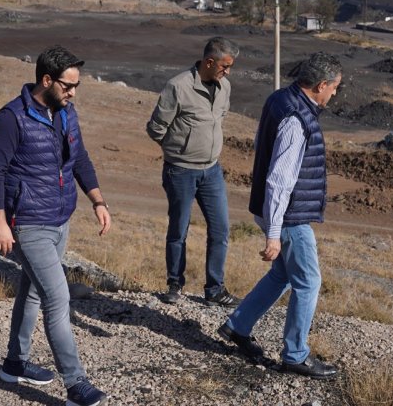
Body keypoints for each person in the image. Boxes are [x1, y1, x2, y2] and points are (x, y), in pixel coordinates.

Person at [0, 46, 111, 406]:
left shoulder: (66, 113)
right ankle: (76, 385)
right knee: (58, 297)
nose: (73, 92)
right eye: (68, 86)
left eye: (77, 86)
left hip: (59, 217)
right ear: (46, 80)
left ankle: (14, 363)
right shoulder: (11, 118)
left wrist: (97, 200)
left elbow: (80, 159)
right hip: (27, 223)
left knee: (34, 291)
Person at [216, 52, 343, 380]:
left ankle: (238, 325)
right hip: (289, 215)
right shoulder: (296, 119)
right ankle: (295, 355)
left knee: (282, 275)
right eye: (333, 88)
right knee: (309, 280)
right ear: (320, 85)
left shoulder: (280, 99)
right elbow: (279, 179)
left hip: (276, 210)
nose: (334, 94)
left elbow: (262, 144)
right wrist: (274, 232)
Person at [146, 36, 241, 306]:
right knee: (179, 229)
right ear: (209, 62)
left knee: (221, 230)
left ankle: (215, 290)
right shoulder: (178, 86)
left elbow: (219, 118)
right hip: (181, 172)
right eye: (225, 66)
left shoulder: (225, 87)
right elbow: (155, 128)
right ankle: (175, 284)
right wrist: (177, 150)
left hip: (212, 171)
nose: (228, 72)